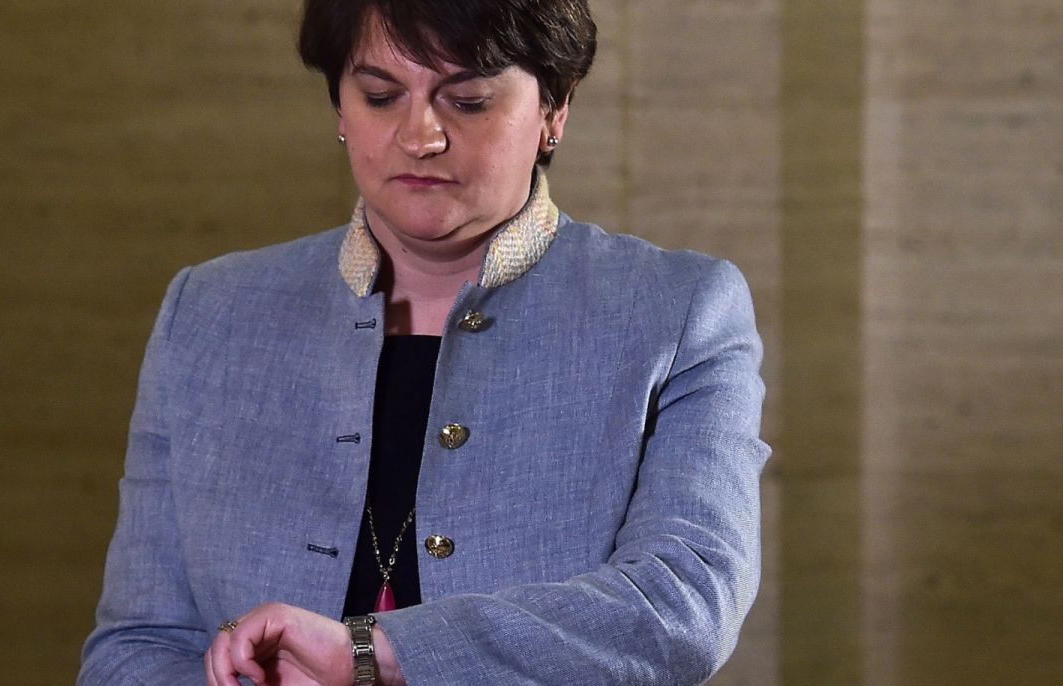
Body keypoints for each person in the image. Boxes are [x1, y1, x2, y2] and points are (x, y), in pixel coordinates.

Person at [77, 0, 769, 684]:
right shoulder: (211, 314)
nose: (420, 136)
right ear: (339, 109)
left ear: (554, 110)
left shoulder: (677, 311)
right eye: (380, 97)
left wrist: (374, 654)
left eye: (467, 101)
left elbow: (685, 602)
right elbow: (135, 648)